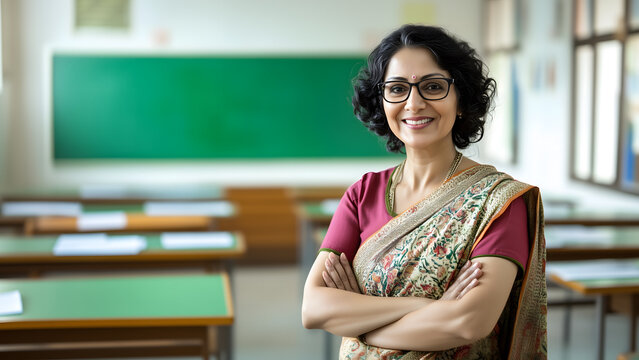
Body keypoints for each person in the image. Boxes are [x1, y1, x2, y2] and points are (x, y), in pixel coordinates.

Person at [301, 25, 547, 359]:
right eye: (398, 88)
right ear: (382, 103)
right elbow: (315, 309)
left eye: (432, 87)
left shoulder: (499, 203)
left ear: (461, 100)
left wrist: (358, 324)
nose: (414, 103)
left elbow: (466, 323)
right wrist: (425, 306)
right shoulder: (363, 194)